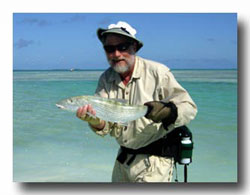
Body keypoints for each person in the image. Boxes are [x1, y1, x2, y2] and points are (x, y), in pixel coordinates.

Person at [76, 21, 197, 182]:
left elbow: (189, 108)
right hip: (123, 160)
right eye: (109, 49)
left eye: (123, 47)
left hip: (155, 163)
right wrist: (93, 121)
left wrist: (169, 112)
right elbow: (108, 126)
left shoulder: (158, 72)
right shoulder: (106, 79)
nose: (116, 54)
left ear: (134, 47)